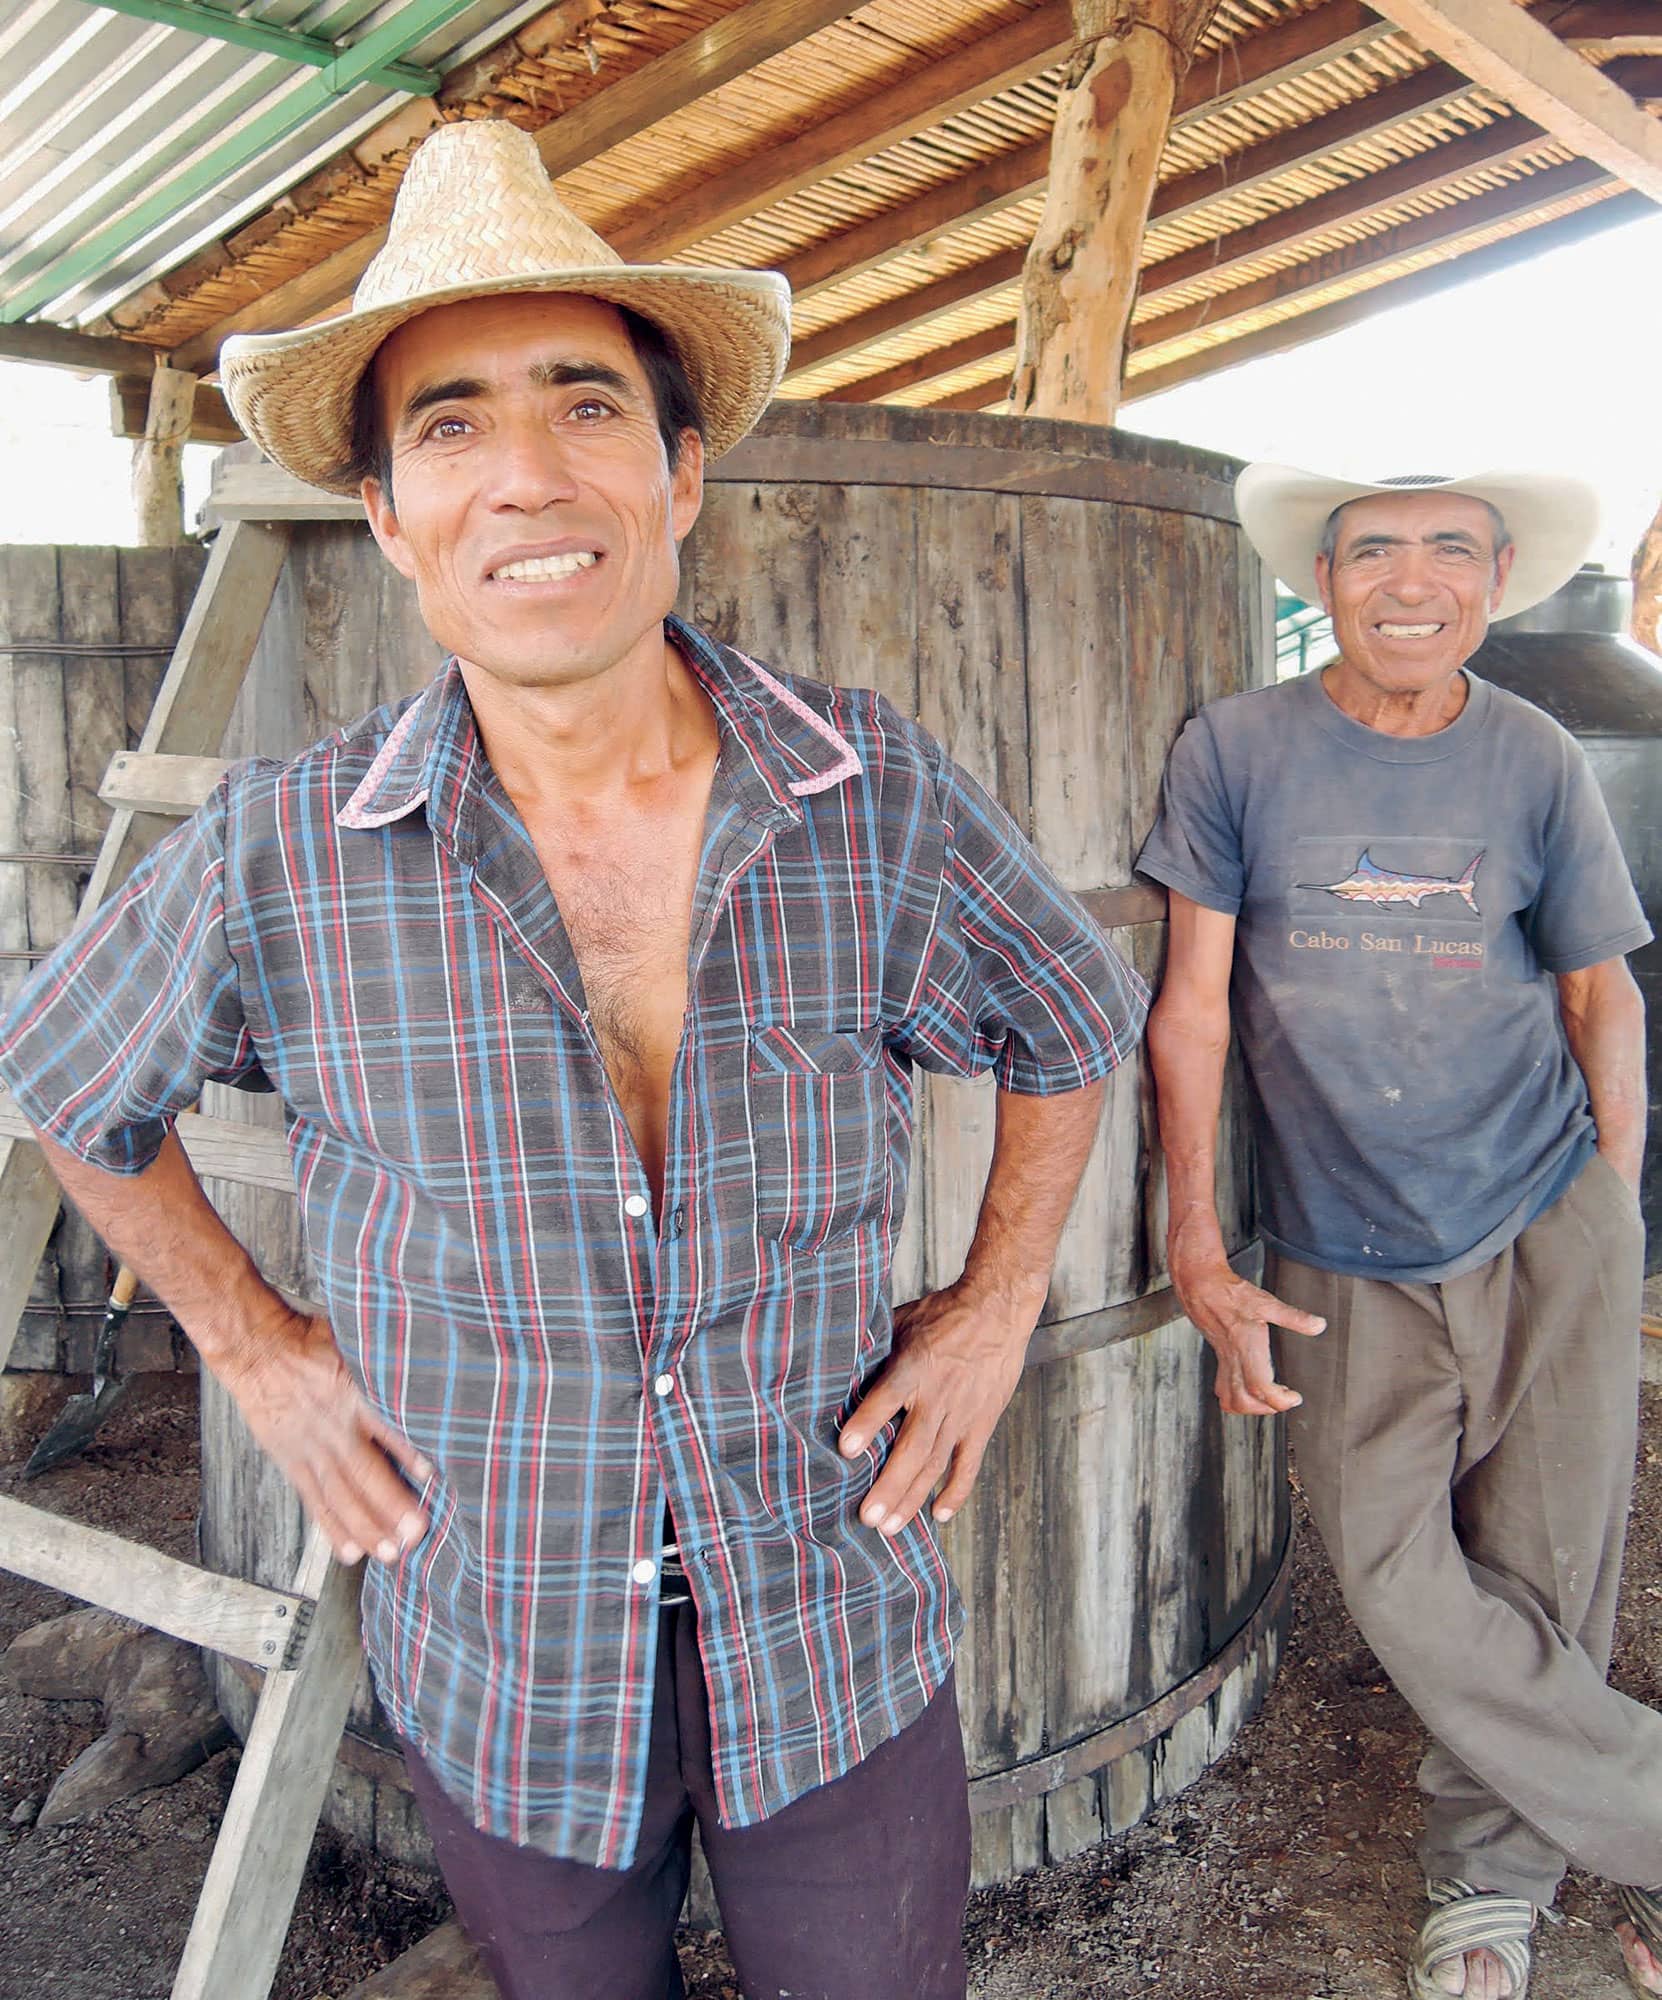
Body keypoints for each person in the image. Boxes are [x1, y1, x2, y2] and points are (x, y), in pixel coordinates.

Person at [0, 121, 1147, 2000]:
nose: (526, 476)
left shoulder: (869, 790)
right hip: (506, 1639)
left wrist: (998, 1292)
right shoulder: (283, 844)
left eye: (584, 405)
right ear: (384, 513)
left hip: (831, 1619)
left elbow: (1069, 1018)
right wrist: (257, 1352)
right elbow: (69, 1083)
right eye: (447, 425)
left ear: (683, 472)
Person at [1137, 462, 1661, 2000]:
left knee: (1545, 1573)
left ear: (1493, 579)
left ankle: (1485, 1894)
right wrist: (1197, 1242)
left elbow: (1598, 995)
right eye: (1374, 550)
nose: (1411, 580)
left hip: (1543, 1212)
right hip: (1343, 1240)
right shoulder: (1236, 750)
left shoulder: (1535, 754)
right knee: (1389, 1569)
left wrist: (1612, 1210)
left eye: (1447, 549)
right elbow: (1189, 1012)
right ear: (1325, 579)